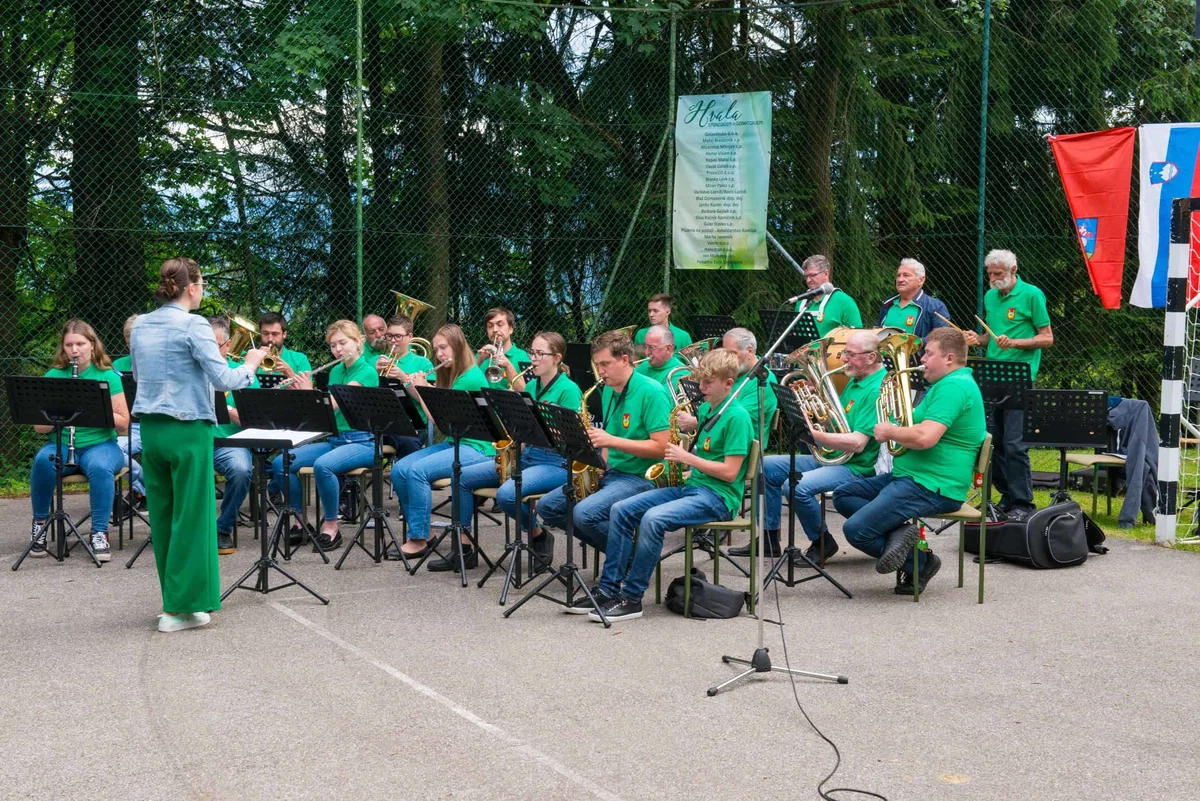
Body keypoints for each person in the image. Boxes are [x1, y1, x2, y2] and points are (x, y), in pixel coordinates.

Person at [131, 258, 265, 632]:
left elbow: (141, 377)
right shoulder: (194, 325)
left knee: (163, 517)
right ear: (191, 287)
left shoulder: (140, 325)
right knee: (193, 517)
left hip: (153, 429)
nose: (202, 290)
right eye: (201, 284)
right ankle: (178, 608)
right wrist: (251, 363)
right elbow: (224, 380)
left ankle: (180, 603)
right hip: (188, 429)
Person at [587, 349, 753, 622]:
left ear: (728, 383)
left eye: (708, 383)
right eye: (700, 382)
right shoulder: (707, 409)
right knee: (620, 509)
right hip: (694, 487)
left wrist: (687, 458)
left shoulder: (737, 417)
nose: (701, 389)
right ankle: (607, 591)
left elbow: (730, 473)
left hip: (719, 497)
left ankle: (631, 598)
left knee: (653, 519)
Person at [832, 328, 985, 596]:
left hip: (933, 485)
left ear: (949, 358)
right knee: (845, 494)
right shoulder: (944, 385)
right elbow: (914, 423)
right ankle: (903, 539)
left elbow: (925, 437)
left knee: (856, 530)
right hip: (911, 477)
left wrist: (890, 432)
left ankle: (922, 561)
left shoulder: (955, 387)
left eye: (928, 353)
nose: (922, 359)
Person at [535, 330, 670, 605]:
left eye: (605, 364)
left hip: (643, 476)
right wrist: (600, 464)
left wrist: (611, 441)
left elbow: (662, 447)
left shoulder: (652, 392)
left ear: (624, 360)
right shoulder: (608, 388)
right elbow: (607, 437)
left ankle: (626, 563)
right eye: (597, 365)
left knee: (585, 514)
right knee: (548, 507)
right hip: (614, 472)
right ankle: (631, 556)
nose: (600, 371)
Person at [752, 330, 887, 563]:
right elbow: (836, 423)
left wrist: (813, 434)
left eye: (850, 354)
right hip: (832, 458)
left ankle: (822, 542)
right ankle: (768, 537)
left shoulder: (876, 388)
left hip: (856, 467)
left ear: (871, 357)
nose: (844, 359)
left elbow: (857, 443)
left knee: (796, 487)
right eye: (845, 352)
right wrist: (808, 402)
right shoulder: (857, 380)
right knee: (764, 466)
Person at [461, 331, 583, 571]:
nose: (533, 359)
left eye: (540, 354)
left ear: (557, 357)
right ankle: (463, 547)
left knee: (507, 493)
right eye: (532, 353)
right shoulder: (531, 386)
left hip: (555, 462)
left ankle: (538, 534)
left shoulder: (569, 390)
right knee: (463, 477)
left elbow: (572, 440)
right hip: (529, 457)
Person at [269, 320, 379, 552]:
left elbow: (334, 406)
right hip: (336, 440)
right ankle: (300, 522)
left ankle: (331, 526)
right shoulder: (337, 370)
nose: (337, 350)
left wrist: (310, 392)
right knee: (281, 462)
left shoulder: (367, 371)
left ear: (357, 343)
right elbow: (321, 414)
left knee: (323, 466)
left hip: (363, 442)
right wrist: (300, 392)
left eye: (342, 343)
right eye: (333, 345)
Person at [392, 323, 495, 569]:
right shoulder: (453, 374)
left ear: (458, 347)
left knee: (417, 471)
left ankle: (418, 538)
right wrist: (414, 386)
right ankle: (424, 532)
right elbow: (443, 419)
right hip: (457, 442)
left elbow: (439, 421)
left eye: (443, 348)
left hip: (479, 448)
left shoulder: (469, 378)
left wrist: (424, 390)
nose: (439, 355)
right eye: (437, 349)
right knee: (399, 469)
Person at [27, 320, 130, 563]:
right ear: (63, 348)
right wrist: (61, 414)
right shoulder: (53, 376)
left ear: (92, 345)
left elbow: (124, 422)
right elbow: (39, 427)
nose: (75, 350)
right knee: (43, 460)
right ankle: (39, 525)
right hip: (61, 443)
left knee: (100, 467)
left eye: (80, 344)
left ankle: (99, 532)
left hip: (101, 444)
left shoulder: (108, 376)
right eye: (69, 345)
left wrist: (89, 409)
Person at [964, 249, 1053, 521]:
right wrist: (976, 339)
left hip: (1020, 377)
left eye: (998, 274)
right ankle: (1006, 498)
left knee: (1015, 443)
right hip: (993, 374)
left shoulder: (1032, 294)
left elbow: (1047, 338)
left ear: (1014, 270)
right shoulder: (991, 296)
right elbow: (989, 337)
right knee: (995, 442)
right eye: (989, 274)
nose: (992, 278)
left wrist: (1015, 343)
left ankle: (1023, 503)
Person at [209, 316, 256, 556]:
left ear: (227, 345)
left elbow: (254, 418)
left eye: (213, 344)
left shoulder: (244, 373)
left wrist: (225, 408)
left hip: (230, 441)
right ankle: (191, 529)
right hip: (198, 438)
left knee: (241, 470)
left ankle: (223, 527)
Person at [376, 314, 435, 458]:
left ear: (410, 336)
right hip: (380, 425)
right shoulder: (375, 361)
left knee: (407, 442)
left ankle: (410, 475)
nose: (393, 341)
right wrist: (374, 375)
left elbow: (428, 400)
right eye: (389, 336)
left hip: (413, 427)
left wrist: (403, 378)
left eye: (398, 336)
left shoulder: (423, 363)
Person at [111, 313, 146, 503]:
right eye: (133, 340)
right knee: (113, 449)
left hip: (155, 425)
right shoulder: (116, 366)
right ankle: (144, 488)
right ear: (126, 341)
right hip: (128, 427)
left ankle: (142, 492)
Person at [876, 259, 952, 338]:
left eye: (906, 275)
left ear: (921, 280)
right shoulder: (888, 303)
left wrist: (915, 344)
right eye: (898, 275)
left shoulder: (935, 307)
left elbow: (942, 338)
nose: (900, 280)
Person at [794, 255, 862, 336]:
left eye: (813, 275)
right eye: (806, 276)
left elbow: (858, 336)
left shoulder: (844, 301)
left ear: (826, 273)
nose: (808, 280)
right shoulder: (801, 302)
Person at [476, 307, 530, 390]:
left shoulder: (523, 357)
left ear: (511, 329)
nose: (494, 330)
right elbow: (464, 383)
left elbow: (526, 391)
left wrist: (508, 366)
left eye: (500, 325)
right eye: (490, 326)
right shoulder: (481, 355)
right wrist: (479, 360)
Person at [258, 311, 311, 385]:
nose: (270, 339)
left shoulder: (300, 359)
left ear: (284, 334)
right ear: (260, 333)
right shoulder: (249, 358)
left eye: (275, 334)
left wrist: (289, 372)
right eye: (265, 333)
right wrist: (253, 364)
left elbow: (307, 392)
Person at [634, 325, 688, 391]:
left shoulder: (680, 372)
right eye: (645, 346)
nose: (646, 352)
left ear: (668, 348)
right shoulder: (645, 365)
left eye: (652, 347)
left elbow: (662, 399)